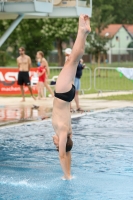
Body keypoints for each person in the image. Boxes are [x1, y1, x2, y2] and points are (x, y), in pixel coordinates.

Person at [52, 14, 91, 180]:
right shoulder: (61, 131)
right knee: (72, 60)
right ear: (60, 142)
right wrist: (66, 175)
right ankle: (81, 30)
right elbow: (63, 155)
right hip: (62, 94)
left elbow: (68, 152)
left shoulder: (69, 131)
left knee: (74, 60)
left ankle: (83, 32)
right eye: (56, 144)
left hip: (67, 96)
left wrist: (70, 171)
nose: (54, 142)